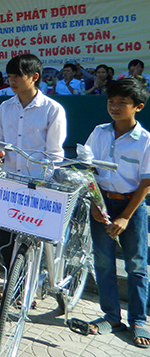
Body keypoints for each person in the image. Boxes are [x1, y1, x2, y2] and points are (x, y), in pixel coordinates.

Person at [0, 54, 67, 301]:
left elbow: (54, 154)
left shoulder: (52, 110)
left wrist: (42, 183)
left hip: (38, 184)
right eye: (9, 76)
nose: (12, 81)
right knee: (3, 233)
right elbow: (0, 140)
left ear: (34, 77)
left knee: (32, 241)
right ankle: (14, 281)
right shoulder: (5, 107)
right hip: (11, 181)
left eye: (17, 76)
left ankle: (29, 288)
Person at [82, 78, 150, 348]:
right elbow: (88, 170)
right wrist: (94, 205)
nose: (115, 106)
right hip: (101, 204)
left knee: (136, 265)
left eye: (123, 102)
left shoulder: (144, 140)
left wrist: (125, 216)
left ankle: (139, 320)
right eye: (111, 101)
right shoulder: (99, 132)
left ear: (138, 107)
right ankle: (111, 316)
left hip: (131, 207)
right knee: (103, 262)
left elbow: (146, 182)